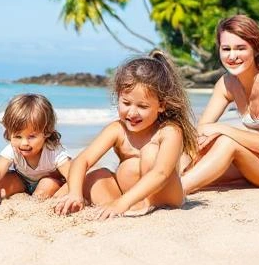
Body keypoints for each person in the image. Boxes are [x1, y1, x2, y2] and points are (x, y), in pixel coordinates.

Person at [54, 53, 198, 219]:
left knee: (150, 153)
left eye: (142, 106)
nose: (132, 112)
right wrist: (74, 193)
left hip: (165, 199)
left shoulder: (169, 131)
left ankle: (134, 205)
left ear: (161, 106)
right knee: (96, 175)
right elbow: (82, 160)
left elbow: (161, 173)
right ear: (118, 97)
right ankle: (80, 201)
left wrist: (122, 203)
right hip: (128, 199)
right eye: (126, 103)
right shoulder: (117, 129)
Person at [181, 15, 259, 194]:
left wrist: (222, 129)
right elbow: (202, 130)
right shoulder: (227, 84)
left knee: (226, 142)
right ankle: (162, 183)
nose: (232, 56)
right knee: (189, 151)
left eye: (240, 48)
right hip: (256, 161)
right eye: (226, 49)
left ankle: (179, 190)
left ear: (256, 50)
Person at [0, 94, 72, 211]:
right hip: (22, 181)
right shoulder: (12, 149)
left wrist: (62, 194)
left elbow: (73, 176)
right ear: (9, 133)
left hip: (49, 181)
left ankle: (38, 198)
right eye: (17, 136)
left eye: (31, 136)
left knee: (46, 186)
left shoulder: (53, 151)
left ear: (46, 132)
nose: (24, 143)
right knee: (1, 183)